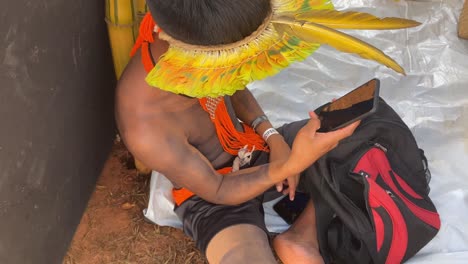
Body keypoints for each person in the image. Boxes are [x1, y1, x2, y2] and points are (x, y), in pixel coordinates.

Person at [115, 0, 416, 263]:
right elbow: (217, 190)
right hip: (214, 192)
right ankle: (318, 204)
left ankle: (302, 235)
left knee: (370, 123)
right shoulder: (145, 125)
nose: (237, 71)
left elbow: (233, 85)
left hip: (257, 149)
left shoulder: (202, 45)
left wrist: (272, 138)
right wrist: (289, 165)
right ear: (164, 35)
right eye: (227, 64)